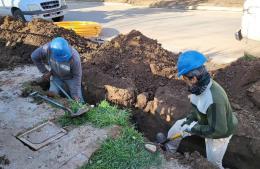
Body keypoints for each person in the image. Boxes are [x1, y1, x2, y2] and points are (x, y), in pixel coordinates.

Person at [166, 50, 238, 169]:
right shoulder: (198, 88)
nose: (185, 82)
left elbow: (218, 130)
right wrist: (190, 120)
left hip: (220, 133)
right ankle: (167, 153)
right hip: (207, 122)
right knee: (179, 126)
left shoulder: (213, 99)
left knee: (212, 164)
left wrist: (194, 128)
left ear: (193, 78)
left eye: (185, 79)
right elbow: (198, 108)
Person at [31, 37, 84, 102]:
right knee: (51, 96)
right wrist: (45, 71)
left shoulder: (74, 57)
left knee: (78, 99)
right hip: (56, 77)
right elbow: (34, 56)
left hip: (71, 78)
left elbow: (77, 75)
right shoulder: (47, 49)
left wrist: (75, 94)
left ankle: (83, 108)